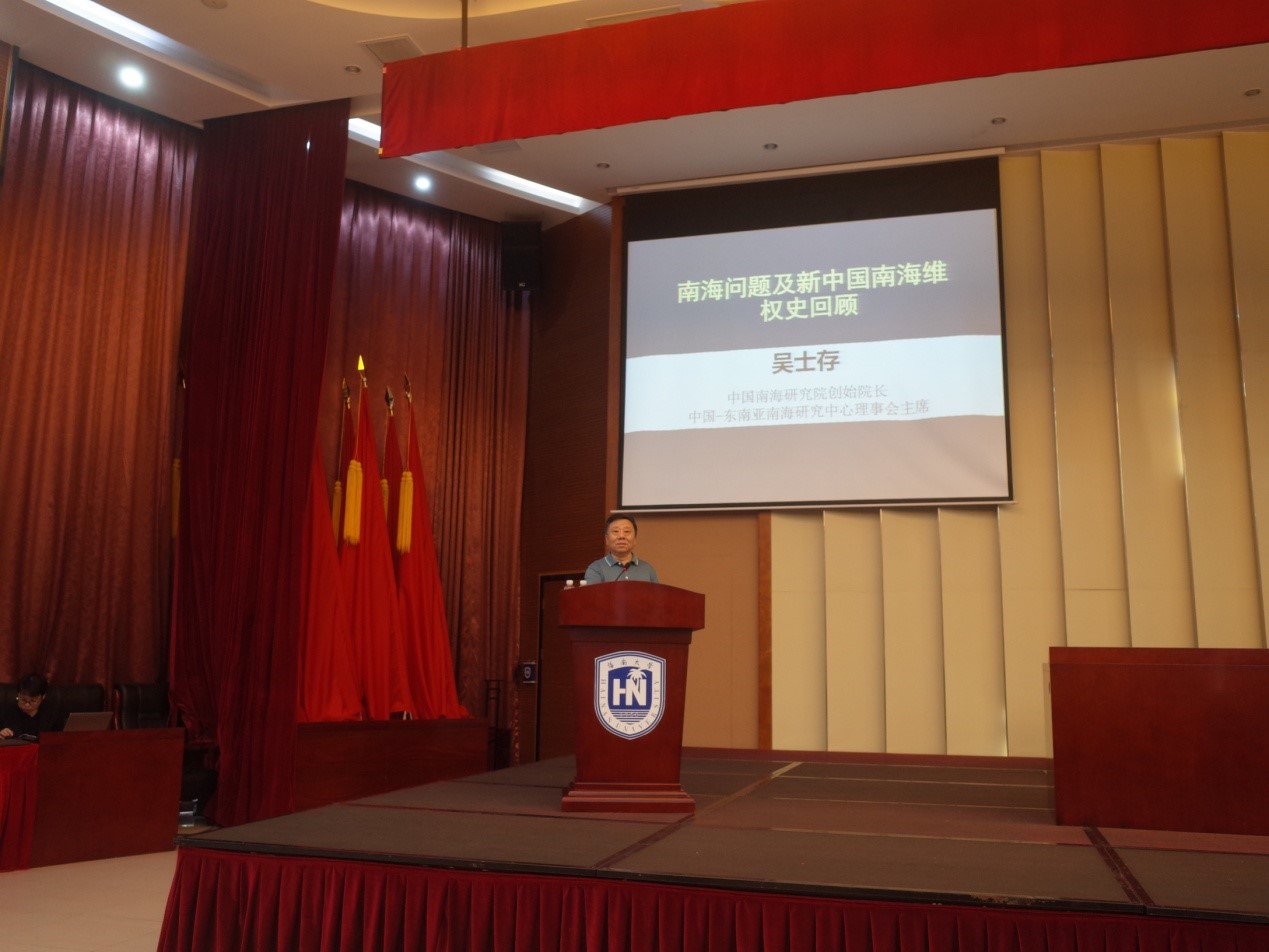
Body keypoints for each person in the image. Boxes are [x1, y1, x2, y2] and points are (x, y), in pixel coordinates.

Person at [583, 513, 659, 583]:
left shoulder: (647, 569)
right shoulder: (596, 569)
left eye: (627, 531)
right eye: (616, 531)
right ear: (607, 539)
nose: (621, 536)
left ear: (635, 539)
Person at [0, 674, 64, 739]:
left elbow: (59, 737)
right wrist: (2, 734)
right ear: (18, 694)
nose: (27, 704)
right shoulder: (5, 712)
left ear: (43, 697)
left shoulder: (52, 715)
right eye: (23, 700)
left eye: (33, 701)